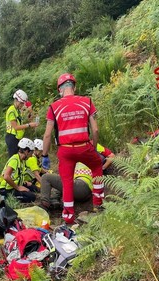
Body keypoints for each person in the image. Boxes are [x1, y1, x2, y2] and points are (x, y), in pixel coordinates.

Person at [42, 73, 104, 224]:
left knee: (67, 181)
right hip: (84, 146)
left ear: (60, 90)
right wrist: (94, 148)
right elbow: (95, 130)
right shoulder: (87, 101)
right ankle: (98, 206)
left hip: (65, 150)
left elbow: (47, 135)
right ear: (74, 87)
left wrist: (44, 155)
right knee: (96, 166)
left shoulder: (54, 107)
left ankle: (68, 217)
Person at [40, 142, 115, 210]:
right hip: (83, 188)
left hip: (81, 185)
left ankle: (45, 206)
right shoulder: (87, 149)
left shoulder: (89, 145)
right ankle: (55, 200)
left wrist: (102, 168)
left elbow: (112, 156)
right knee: (62, 179)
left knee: (46, 177)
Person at [0, 138, 38, 203]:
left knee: (33, 188)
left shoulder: (22, 160)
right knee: (31, 197)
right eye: (31, 152)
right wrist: (18, 187)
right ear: (26, 151)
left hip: (13, 185)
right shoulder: (15, 160)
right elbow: (6, 176)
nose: (31, 156)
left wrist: (23, 182)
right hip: (6, 189)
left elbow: (17, 175)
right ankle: (6, 198)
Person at [5, 89, 39, 158]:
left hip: (17, 137)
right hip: (12, 138)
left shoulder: (17, 110)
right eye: (21, 103)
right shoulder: (11, 111)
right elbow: (16, 127)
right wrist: (29, 125)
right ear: (16, 100)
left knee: (20, 158)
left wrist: (30, 117)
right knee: (14, 159)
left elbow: (21, 122)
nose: (22, 105)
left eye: (23, 103)